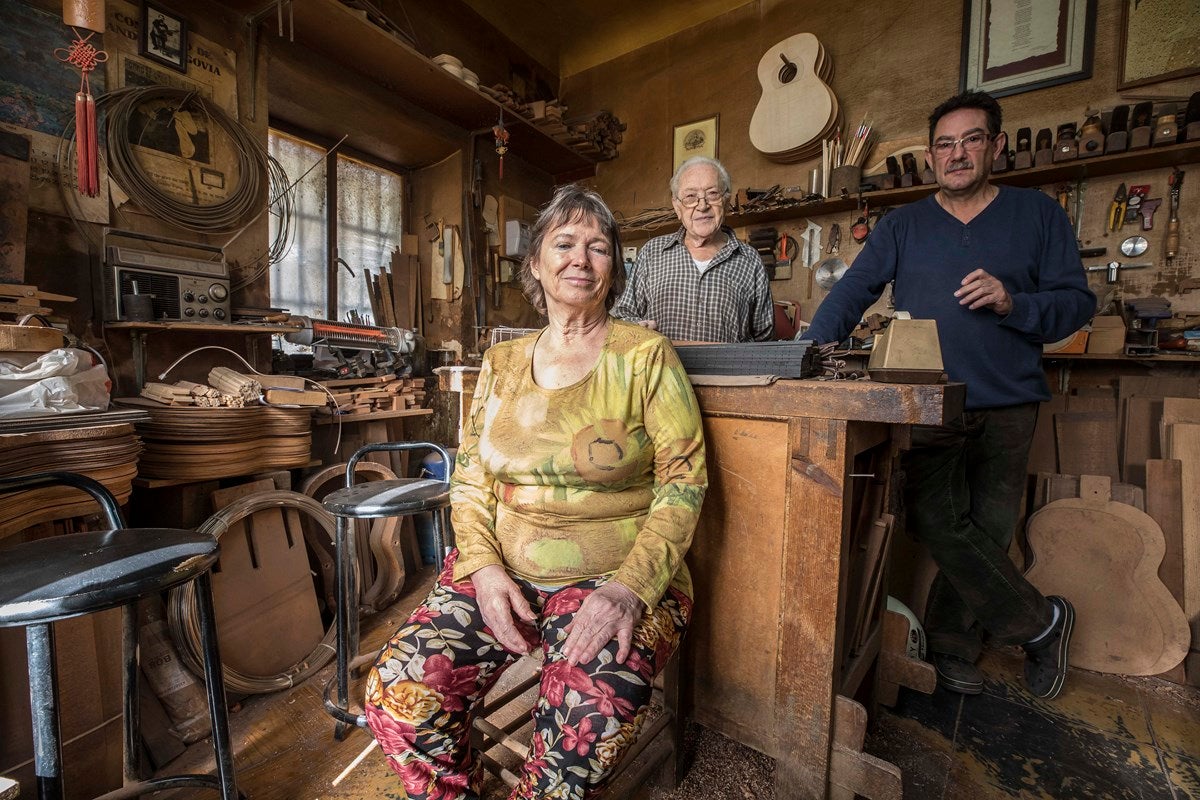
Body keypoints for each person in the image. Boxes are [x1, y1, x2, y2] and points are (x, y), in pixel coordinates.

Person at [364, 184, 707, 799]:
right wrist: (484, 569)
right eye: (565, 243)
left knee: (579, 728)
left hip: (616, 579)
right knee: (397, 695)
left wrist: (628, 590)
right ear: (537, 265)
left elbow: (684, 485)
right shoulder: (500, 363)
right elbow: (468, 480)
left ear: (614, 269)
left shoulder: (647, 356)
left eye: (598, 247)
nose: (581, 258)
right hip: (499, 569)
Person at [800, 90, 1095, 700]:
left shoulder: (1038, 215)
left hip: (1008, 400)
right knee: (937, 520)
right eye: (944, 144)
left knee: (988, 531)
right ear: (931, 155)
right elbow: (852, 290)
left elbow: (1076, 305)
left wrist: (1016, 302)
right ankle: (1042, 623)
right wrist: (803, 350)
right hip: (929, 403)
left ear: (996, 146)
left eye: (971, 140)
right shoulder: (903, 224)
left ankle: (955, 648)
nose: (956, 153)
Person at [613, 156, 774, 342]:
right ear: (677, 206)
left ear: (726, 200)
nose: (702, 205)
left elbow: (764, 337)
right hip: (661, 370)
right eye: (690, 197)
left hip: (726, 371)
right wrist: (638, 329)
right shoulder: (652, 252)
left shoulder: (749, 259)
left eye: (712, 193)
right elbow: (624, 314)